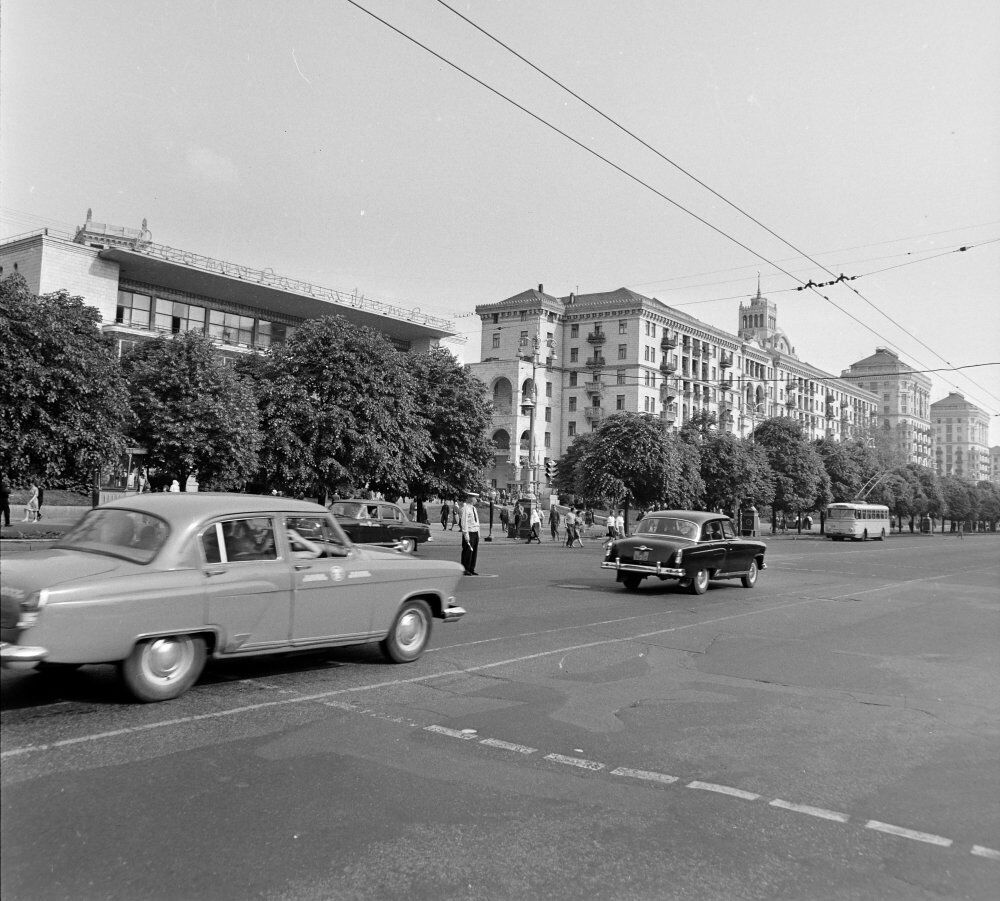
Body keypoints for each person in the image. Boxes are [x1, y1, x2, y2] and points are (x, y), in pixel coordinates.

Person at [459, 490, 481, 575]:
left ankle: (471, 568)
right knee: (467, 551)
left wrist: (478, 533)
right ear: (471, 499)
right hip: (469, 532)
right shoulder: (465, 508)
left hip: (475, 532)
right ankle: (465, 568)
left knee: (474, 552)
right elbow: (464, 522)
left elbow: (476, 522)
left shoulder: (474, 508)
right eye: (475, 498)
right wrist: (466, 534)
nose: (476, 500)